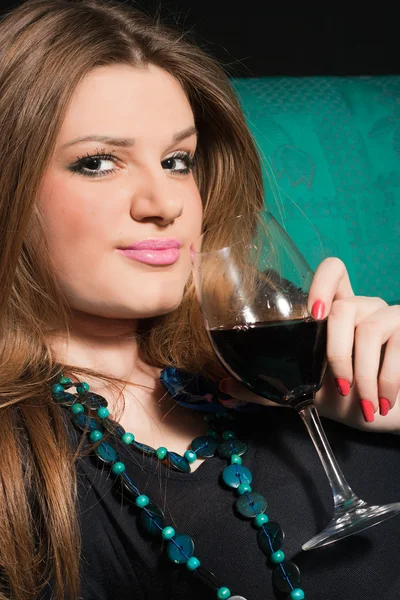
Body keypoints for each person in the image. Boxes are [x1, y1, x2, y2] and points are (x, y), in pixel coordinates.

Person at [0, 1, 398, 599]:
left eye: (176, 161)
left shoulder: (271, 329)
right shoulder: (22, 464)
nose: (165, 203)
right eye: (98, 162)